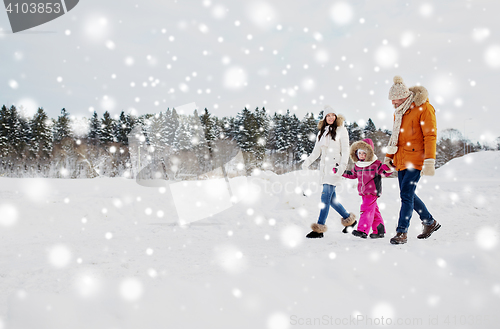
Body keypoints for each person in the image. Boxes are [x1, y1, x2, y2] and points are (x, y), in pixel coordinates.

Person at [384, 76, 440, 245]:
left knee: (406, 195)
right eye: (392, 100)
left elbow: (430, 135)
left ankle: (402, 232)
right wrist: (389, 157)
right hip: (402, 159)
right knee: (407, 194)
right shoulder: (399, 112)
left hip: (416, 159)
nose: (393, 103)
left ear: (404, 96)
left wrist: (430, 160)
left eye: (395, 99)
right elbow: (396, 138)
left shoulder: (424, 108)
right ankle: (430, 222)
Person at [302, 106, 356, 238]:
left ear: (336, 117)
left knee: (325, 198)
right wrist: (307, 162)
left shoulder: (342, 130)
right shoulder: (322, 132)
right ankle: (349, 220)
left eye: (333, 115)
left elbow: (345, 150)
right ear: (325, 118)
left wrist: (342, 166)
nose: (331, 117)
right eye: (328, 115)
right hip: (325, 169)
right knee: (332, 200)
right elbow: (316, 151)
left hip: (335, 168)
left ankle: (319, 228)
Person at [342, 138, 394, 239]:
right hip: (364, 192)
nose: (361, 155)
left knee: (366, 209)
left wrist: (389, 168)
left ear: (369, 153)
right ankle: (379, 230)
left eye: (364, 153)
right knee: (373, 211)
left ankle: (362, 230)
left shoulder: (376, 164)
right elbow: (352, 174)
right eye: (359, 153)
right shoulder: (358, 165)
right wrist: (341, 171)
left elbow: (385, 173)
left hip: (372, 191)